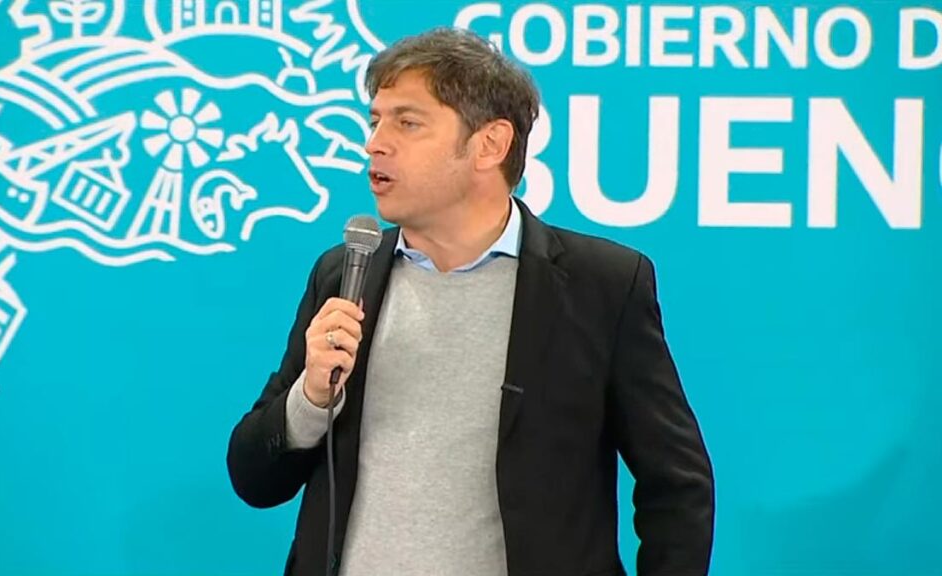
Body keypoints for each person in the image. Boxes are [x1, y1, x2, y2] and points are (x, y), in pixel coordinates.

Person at [227, 27, 714, 576]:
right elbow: (254, 479)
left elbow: (677, 486)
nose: (375, 143)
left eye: (407, 123)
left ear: (490, 144)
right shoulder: (344, 273)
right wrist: (311, 399)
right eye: (375, 121)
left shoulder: (601, 285)